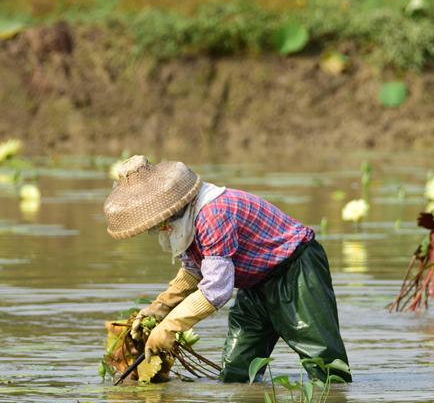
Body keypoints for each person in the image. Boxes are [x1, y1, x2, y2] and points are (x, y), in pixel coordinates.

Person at [103, 155, 350, 382]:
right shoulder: (186, 222)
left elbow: (216, 290)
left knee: (326, 367)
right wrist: (157, 311)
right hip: (254, 283)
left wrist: (170, 326)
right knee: (237, 371)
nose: (156, 228)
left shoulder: (213, 213)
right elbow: (193, 271)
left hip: (295, 270)